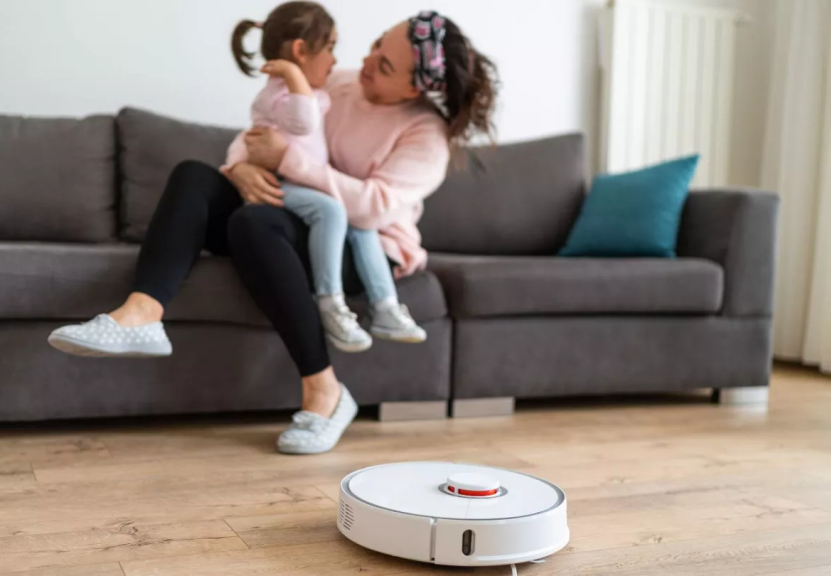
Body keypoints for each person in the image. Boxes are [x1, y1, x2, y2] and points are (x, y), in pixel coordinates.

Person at [48, 8, 498, 455]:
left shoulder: (427, 135)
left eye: (383, 65)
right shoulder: (339, 84)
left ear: (415, 88)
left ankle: (326, 392)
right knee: (194, 176)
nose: (365, 60)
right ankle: (142, 315)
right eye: (377, 44)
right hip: (294, 215)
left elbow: (372, 208)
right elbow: (263, 132)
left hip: (363, 246)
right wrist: (240, 167)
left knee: (253, 222)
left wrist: (287, 161)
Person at [229, 2, 426, 354]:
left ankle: (385, 306)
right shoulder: (282, 93)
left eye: (383, 65)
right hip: (284, 184)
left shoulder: (316, 87)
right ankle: (330, 303)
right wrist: (294, 77)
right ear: (301, 51)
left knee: (362, 223)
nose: (339, 60)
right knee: (333, 211)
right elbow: (299, 123)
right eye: (331, 47)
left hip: (310, 184)